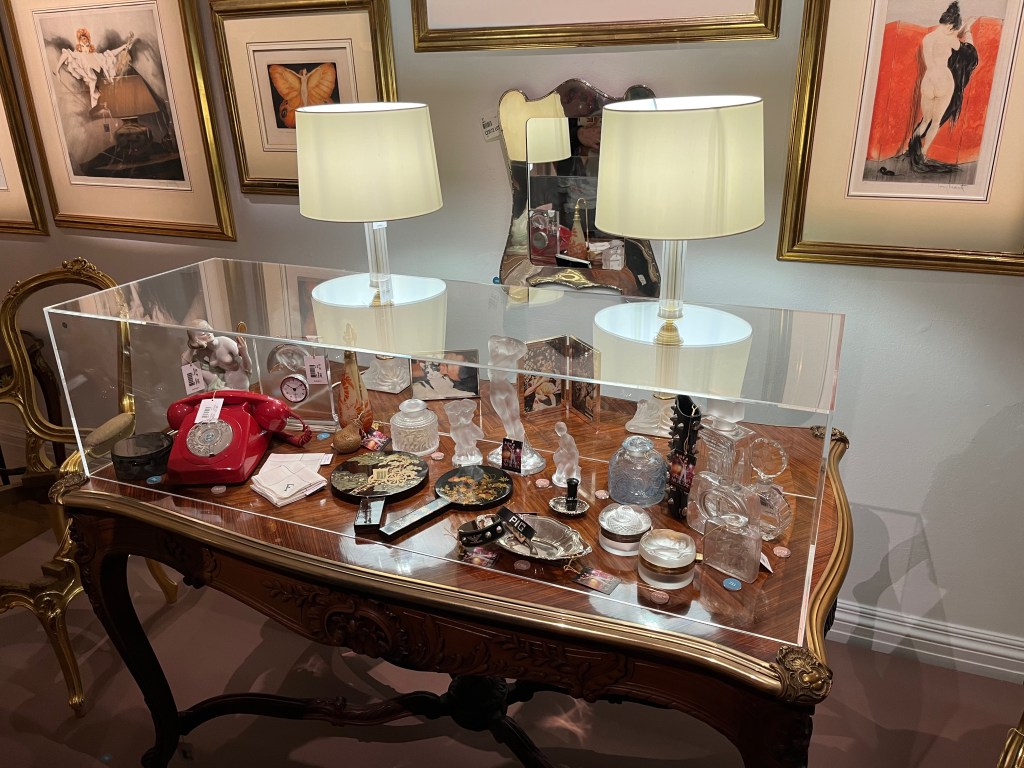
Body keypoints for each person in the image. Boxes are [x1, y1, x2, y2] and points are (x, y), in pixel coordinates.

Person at [907, 3, 978, 170]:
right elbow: (971, 53)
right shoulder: (951, 39)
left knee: (925, 120)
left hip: (928, 81)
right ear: (952, 26)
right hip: (944, 81)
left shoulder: (928, 38)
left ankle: (910, 150)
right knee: (936, 121)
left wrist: (957, 30)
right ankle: (923, 154)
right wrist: (967, 30)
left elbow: (947, 37)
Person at [54, 28, 136, 111]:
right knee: (98, 105)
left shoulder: (96, 56)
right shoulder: (79, 56)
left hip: (108, 87)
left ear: (89, 44)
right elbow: (66, 54)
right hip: (97, 90)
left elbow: (111, 54)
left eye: (87, 45)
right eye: (82, 46)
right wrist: (57, 71)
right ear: (79, 46)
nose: (85, 49)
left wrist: (123, 46)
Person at [182, 320, 252, 391]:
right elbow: (185, 365)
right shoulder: (203, 351)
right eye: (203, 333)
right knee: (192, 369)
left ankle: (205, 395)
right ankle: (200, 396)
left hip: (240, 385)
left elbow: (248, 368)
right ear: (196, 339)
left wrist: (244, 352)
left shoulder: (225, 343)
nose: (208, 333)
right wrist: (192, 347)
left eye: (207, 329)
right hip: (226, 385)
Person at [552, 421, 580, 488]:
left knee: (565, 468)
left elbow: (564, 448)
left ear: (557, 432)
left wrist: (559, 453)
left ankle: (565, 478)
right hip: (569, 456)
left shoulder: (563, 439)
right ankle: (561, 477)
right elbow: (566, 448)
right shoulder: (569, 437)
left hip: (569, 456)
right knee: (561, 467)